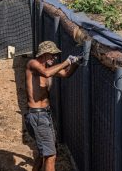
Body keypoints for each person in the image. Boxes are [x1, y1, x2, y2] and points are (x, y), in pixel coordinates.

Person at [25, 41, 81, 171]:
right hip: (37, 116)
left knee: (44, 151)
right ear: (44, 54)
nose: (55, 57)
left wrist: (76, 63)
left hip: (44, 115)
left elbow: (66, 74)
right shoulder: (33, 64)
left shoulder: (46, 68)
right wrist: (67, 62)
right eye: (53, 55)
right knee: (50, 155)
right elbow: (46, 73)